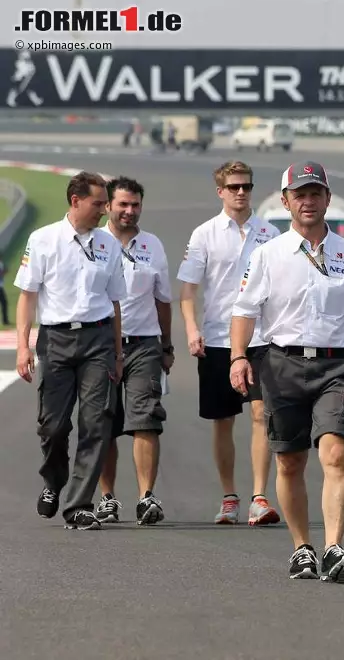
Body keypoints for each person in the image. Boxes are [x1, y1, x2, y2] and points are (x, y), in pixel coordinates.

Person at [230, 161, 344, 581]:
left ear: (328, 199)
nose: (308, 201)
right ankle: (303, 548)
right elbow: (244, 310)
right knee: (290, 463)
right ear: (285, 201)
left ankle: (334, 547)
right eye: (300, 194)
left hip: (336, 365)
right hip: (282, 364)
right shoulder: (267, 254)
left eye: (316, 193)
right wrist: (239, 357)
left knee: (335, 454)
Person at [13, 171, 125, 530]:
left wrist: (118, 353)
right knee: (53, 426)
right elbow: (27, 297)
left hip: (98, 340)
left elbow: (115, 302)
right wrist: (22, 348)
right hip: (55, 341)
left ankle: (78, 504)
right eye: (98, 204)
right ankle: (54, 480)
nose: (105, 211)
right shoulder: (42, 239)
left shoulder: (109, 245)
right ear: (75, 201)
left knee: (96, 424)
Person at [177, 160, 281, 526]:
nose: (241, 192)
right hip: (218, 338)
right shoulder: (204, 234)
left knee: (260, 413)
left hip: (260, 339)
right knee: (222, 420)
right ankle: (229, 496)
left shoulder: (271, 233)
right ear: (220, 191)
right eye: (234, 187)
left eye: (246, 186)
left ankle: (259, 496)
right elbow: (187, 291)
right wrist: (191, 329)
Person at [95, 176, 173, 526]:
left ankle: (146, 496)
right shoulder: (93, 243)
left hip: (144, 344)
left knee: (146, 420)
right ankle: (107, 498)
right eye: (123, 204)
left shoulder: (153, 244)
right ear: (108, 205)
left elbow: (163, 299)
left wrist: (167, 345)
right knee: (103, 423)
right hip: (100, 345)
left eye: (135, 205)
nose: (129, 211)